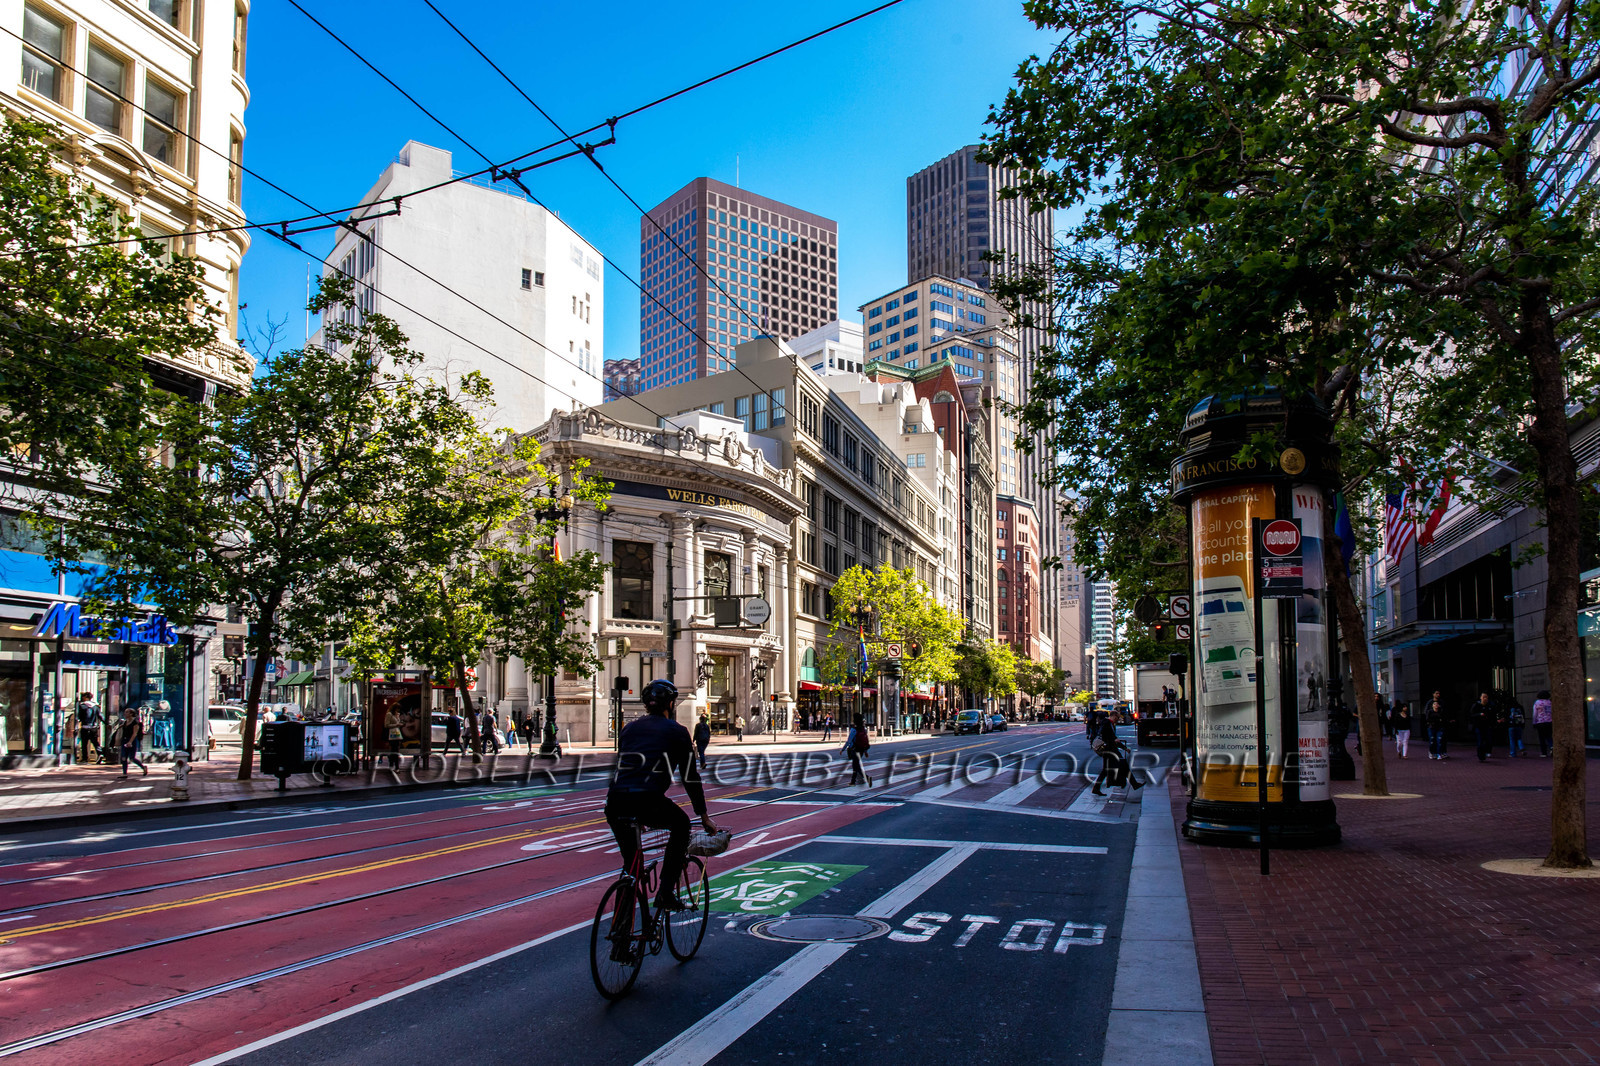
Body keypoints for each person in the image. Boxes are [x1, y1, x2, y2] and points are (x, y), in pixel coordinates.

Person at [605, 680, 718, 911]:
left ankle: (622, 922)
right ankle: (665, 893)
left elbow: (622, 768)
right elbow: (690, 778)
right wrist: (704, 816)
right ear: (671, 704)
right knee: (682, 825)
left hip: (616, 802)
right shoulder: (677, 731)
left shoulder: (628, 729)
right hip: (647, 800)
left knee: (631, 862)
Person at [1092, 709, 1142, 794]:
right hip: (1110, 750)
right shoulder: (1107, 723)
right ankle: (1134, 784)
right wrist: (1121, 745)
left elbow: (1112, 737)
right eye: (1118, 717)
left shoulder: (1108, 723)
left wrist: (1123, 747)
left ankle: (1096, 788)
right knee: (1122, 766)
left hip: (1109, 750)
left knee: (1106, 770)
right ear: (1114, 716)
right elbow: (1110, 737)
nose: (1118, 719)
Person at [119, 705, 148, 777]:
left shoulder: (135, 722)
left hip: (132, 741)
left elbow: (135, 733)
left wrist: (130, 742)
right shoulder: (125, 722)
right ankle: (124, 773)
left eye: (127, 712)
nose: (125, 714)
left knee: (132, 758)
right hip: (124, 740)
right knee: (123, 757)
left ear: (131, 714)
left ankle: (143, 767)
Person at [843, 713, 871, 786]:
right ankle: (853, 781)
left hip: (854, 749)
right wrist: (865, 751)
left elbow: (849, 741)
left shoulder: (853, 730)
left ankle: (866, 778)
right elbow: (865, 740)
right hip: (861, 750)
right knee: (856, 766)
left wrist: (843, 749)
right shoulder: (863, 729)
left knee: (856, 766)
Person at [76, 695, 101, 764]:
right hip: (93, 727)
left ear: (85, 698)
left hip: (85, 727)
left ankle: (85, 758)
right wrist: (107, 723)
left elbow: (79, 717)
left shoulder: (82, 706)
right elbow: (100, 716)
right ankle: (100, 753)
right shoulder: (95, 707)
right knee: (95, 742)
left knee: (84, 744)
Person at [1471, 692, 1495, 762]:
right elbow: (1471, 714)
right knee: (1480, 741)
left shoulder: (1490, 706)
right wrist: (1479, 714)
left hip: (1487, 726)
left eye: (1486, 697)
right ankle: (1481, 756)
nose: (1485, 699)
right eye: (1484, 697)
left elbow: (1492, 716)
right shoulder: (1476, 705)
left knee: (1488, 740)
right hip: (1479, 726)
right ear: (1480, 698)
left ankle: (1486, 752)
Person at [1425, 693, 1449, 760]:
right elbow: (1428, 719)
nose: (1436, 705)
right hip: (1432, 727)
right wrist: (1436, 720)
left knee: (1439, 740)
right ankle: (1432, 752)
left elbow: (1443, 718)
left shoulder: (1440, 711)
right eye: (1434, 704)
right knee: (1432, 740)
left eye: (1437, 704)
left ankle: (1439, 753)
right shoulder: (1430, 711)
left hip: (1439, 727)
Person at [1533, 690, 1554, 756]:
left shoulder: (1537, 702)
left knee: (1542, 738)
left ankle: (1544, 753)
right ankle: (1552, 747)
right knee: (1549, 736)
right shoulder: (1550, 702)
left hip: (1540, 722)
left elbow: (1535, 713)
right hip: (1549, 722)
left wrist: (1534, 722)